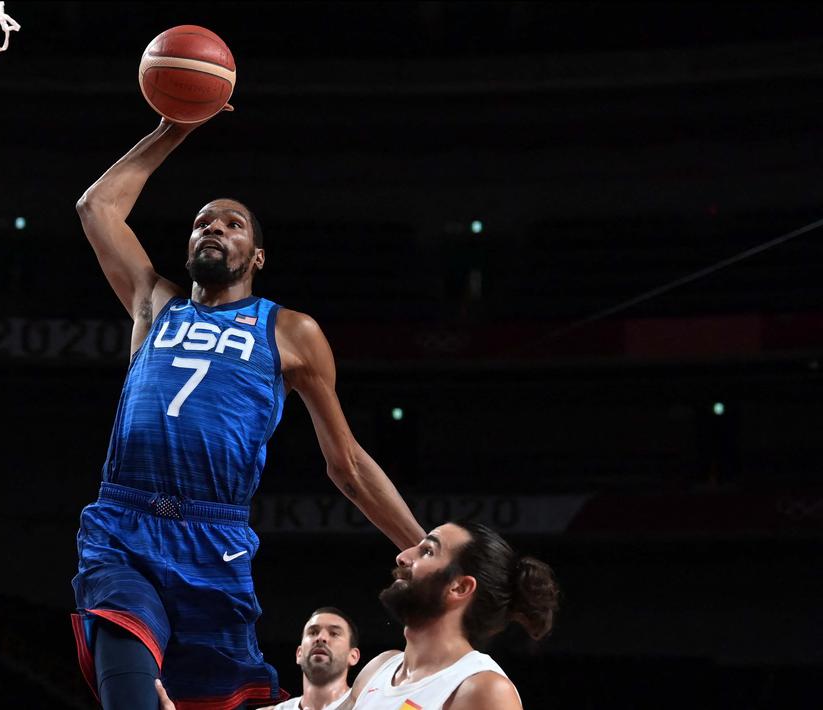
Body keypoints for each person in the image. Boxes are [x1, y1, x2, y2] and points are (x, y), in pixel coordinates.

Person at [71, 113, 426, 710]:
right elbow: (95, 207)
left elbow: (348, 465)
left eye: (232, 223)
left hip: (215, 537)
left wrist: (420, 547)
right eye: (201, 221)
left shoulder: (290, 331)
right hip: (123, 524)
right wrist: (174, 127)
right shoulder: (153, 303)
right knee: (128, 693)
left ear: (256, 256)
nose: (213, 227)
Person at [156, 522, 559, 710]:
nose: (404, 556)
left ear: (459, 588)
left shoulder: (483, 691)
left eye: (428, 552)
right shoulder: (380, 668)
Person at [260, 607, 361, 710]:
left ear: (353, 656)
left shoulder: (369, 705)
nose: (321, 638)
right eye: (313, 632)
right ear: (299, 653)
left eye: (334, 633)